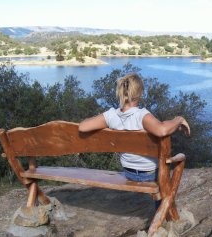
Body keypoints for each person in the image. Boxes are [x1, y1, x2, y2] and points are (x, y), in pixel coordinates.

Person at [78, 73, 190, 207]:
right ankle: (162, 213)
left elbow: (83, 126)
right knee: (178, 160)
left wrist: (104, 119)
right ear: (139, 93)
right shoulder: (141, 115)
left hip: (129, 173)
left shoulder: (111, 115)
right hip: (149, 174)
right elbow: (162, 130)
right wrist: (179, 120)